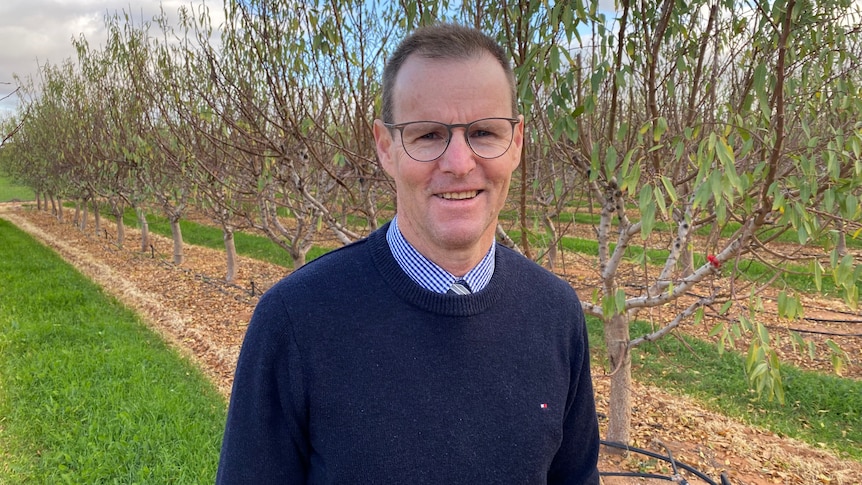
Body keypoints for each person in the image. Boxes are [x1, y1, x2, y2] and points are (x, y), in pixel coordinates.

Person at [216, 23, 600, 484]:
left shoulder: (556, 312)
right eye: (428, 136)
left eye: (483, 132)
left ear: (515, 143)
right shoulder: (296, 321)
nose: (459, 163)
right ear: (385, 147)